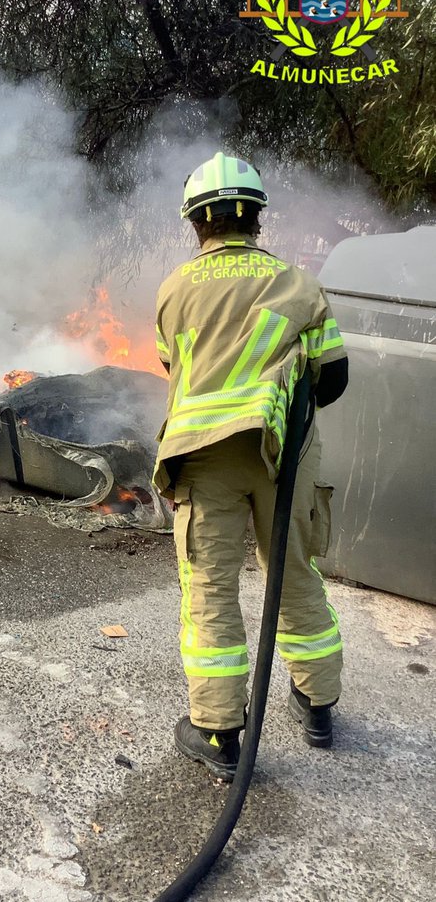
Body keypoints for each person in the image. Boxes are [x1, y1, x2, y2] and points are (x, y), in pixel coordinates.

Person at [153, 152, 349, 781]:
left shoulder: (174, 288)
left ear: (197, 223)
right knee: (293, 575)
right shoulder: (297, 283)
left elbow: (172, 368)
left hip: (205, 458)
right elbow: (335, 378)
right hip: (282, 457)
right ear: (256, 217)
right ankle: (318, 706)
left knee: (210, 590)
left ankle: (217, 733)